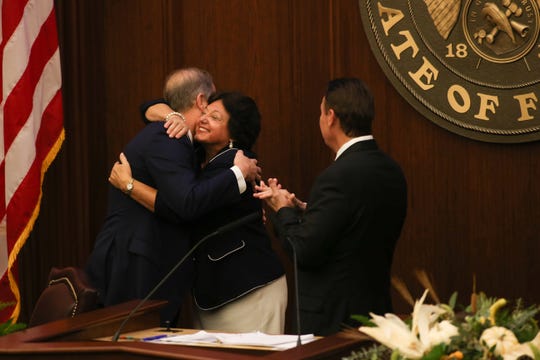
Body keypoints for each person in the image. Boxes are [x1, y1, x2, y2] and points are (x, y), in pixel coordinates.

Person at [85, 68, 260, 326]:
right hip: (135, 264)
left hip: (144, 262)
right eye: (211, 104)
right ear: (201, 101)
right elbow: (186, 203)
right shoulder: (168, 137)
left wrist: (131, 185)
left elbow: (177, 205)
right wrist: (239, 173)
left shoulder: (179, 136)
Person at [109, 91, 287, 335]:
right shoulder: (196, 156)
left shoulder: (237, 164)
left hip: (248, 288)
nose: (204, 119)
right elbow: (147, 106)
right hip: (214, 292)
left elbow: (185, 208)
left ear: (233, 133)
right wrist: (172, 115)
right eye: (204, 113)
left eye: (215, 117)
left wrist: (129, 185)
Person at [254, 77, 408, 336]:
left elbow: (303, 251)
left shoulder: (337, 176)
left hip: (335, 324)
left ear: (331, 117)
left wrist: (282, 209)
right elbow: (354, 225)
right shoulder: (390, 169)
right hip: (375, 314)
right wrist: (309, 211)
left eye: (320, 113)